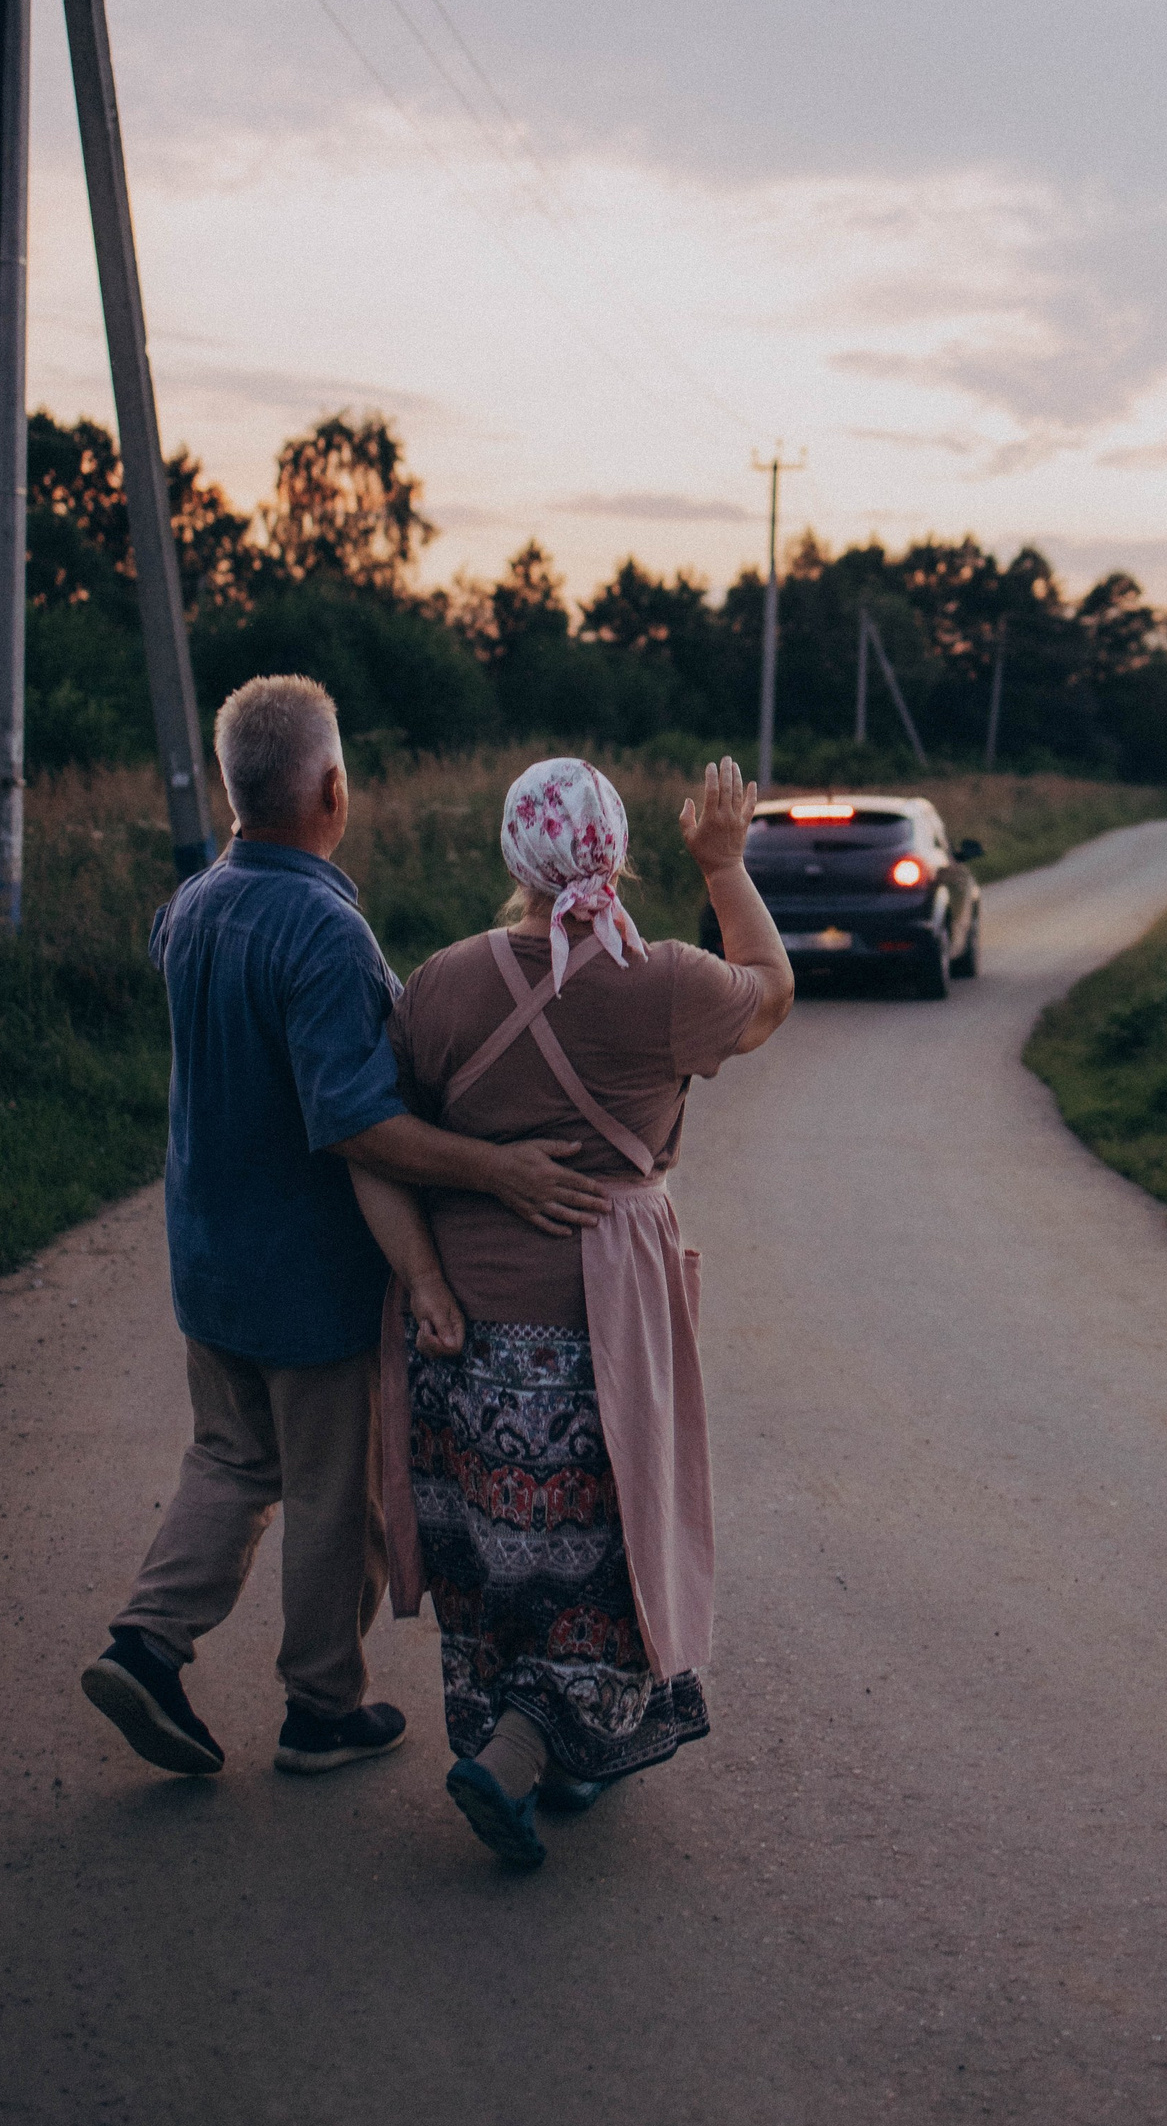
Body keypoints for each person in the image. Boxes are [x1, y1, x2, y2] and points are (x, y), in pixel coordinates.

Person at [82, 676, 633, 1780]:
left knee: (232, 1457)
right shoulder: (326, 933)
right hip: (307, 1276)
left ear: (236, 793)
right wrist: (499, 1170)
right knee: (335, 1494)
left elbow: (192, 984)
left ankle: (146, 1643)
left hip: (207, 1257)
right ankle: (322, 1708)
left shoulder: (193, 905)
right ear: (333, 787)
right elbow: (358, 1124)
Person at [346, 751, 791, 1871]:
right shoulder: (668, 983)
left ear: (514, 854)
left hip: (461, 1324)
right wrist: (724, 865)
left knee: (498, 1554)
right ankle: (524, 1752)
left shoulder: (442, 984)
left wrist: (426, 1282)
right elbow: (772, 990)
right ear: (619, 851)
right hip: (605, 1322)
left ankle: (524, 1739)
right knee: (608, 1555)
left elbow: (372, 1144)